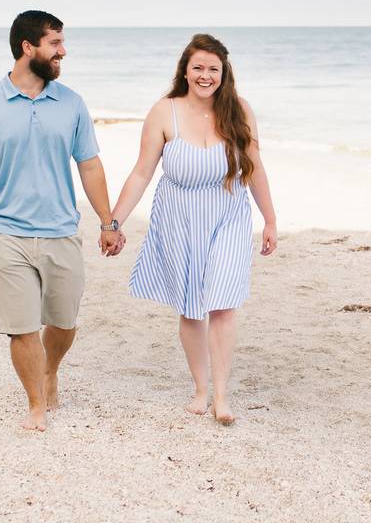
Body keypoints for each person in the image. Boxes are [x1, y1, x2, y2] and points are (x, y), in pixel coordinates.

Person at [0, 10, 123, 432]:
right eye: (55, 43)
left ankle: (50, 371)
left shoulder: (72, 103)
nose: (63, 52)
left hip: (61, 230)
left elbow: (90, 166)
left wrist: (108, 221)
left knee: (63, 322)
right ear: (28, 48)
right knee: (22, 326)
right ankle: (35, 404)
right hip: (5, 232)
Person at [108, 33, 277, 425]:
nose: (205, 76)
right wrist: (113, 222)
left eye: (213, 69)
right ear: (185, 70)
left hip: (229, 215)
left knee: (222, 302)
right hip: (179, 217)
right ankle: (199, 388)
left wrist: (269, 218)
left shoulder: (239, 110)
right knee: (190, 305)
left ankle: (220, 396)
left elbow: (255, 168)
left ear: (224, 73)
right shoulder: (164, 112)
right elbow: (140, 174)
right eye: (198, 67)